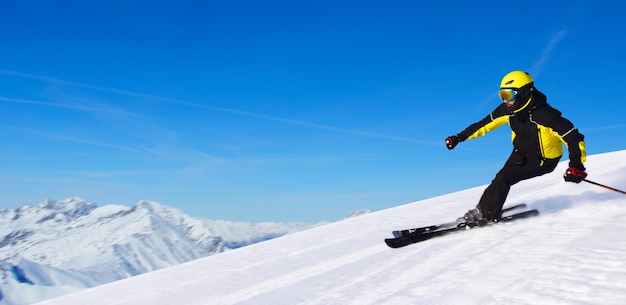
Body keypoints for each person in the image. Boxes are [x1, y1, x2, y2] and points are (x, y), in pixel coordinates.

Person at [445, 70, 587, 226]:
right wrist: (459, 137)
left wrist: (576, 166)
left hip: (542, 160)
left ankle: (485, 214)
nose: (505, 100)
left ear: (524, 93)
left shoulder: (545, 116)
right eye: (502, 95)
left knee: (503, 178)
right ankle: (486, 210)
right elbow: (483, 125)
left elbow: (574, 138)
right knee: (500, 178)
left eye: (508, 95)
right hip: (520, 153)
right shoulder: (508, 111)